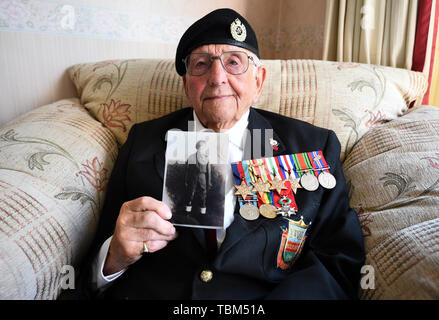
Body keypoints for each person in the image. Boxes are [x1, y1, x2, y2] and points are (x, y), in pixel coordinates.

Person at [78, 8, 365, 299]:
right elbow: (93, 264)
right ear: (186, 85)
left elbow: (338, 263)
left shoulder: (315, 146)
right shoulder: (142, 142)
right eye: (201, 64)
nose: (217, 77)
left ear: (259, 81)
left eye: (234, 62)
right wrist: (113, 257)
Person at [184, 139, 211, 214]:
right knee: (190, 194)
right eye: (200, 147)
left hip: (202, 178)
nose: (202, 149)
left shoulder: (206, 158)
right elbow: (186, 170)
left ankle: (202, 212)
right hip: (192, 178)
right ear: (197, 148)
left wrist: (208, 182)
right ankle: (187, 212)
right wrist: (186, 180)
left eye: (203, 147)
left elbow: (209, 172)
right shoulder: (191, 157)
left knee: (203, 195)